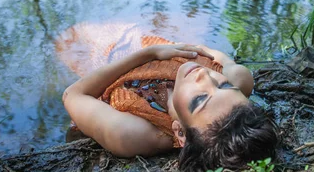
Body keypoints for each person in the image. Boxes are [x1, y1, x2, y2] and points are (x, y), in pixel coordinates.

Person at [58, 21, 278, 171]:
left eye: (199, 100)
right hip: (150, 44)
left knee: (66, 38)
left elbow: (73, 95)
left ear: (180, 132)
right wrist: (161, 47)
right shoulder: (240, 79)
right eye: (224, 86)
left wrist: (148, 54)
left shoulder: (134, 134)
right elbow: (203, 50)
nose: (204, 75)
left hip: (103, 68)